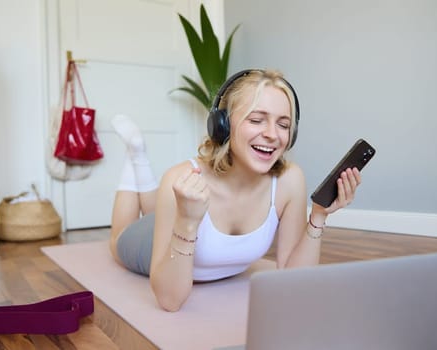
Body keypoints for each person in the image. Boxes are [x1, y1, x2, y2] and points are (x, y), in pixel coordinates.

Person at [108, 69, 362, 312]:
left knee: (157, 210)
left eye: (283, 125)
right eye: (256, 120)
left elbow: (293, 280)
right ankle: (136, 156)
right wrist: (186, 221)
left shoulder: (289, 180)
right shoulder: (181, 176)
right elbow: (170, 301)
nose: (273, 134)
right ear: (223, 125)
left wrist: (318, 215)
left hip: (181, 220)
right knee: (118, 239)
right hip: (164, 243)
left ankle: (139, 160)